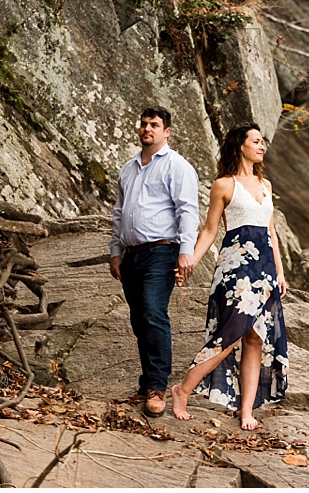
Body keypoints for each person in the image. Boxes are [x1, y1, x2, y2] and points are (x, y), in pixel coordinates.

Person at [170, 123, 289, 430]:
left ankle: (245, 410)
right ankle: (182, 390)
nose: (262, 147)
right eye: (257, 141)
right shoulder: (224, 185)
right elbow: (210, 229)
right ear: (241, 146)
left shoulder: (267, 185)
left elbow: (271, 231)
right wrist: (191, 262)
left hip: (264, 273)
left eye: (262, 142)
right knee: (230, 335)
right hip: (236, 270)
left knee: (255, 339)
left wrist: (279, 271)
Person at [109, 106, 201, 419]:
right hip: (132, 255)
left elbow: (187, 210)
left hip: (162, 252)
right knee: (139, 319)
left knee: (152, 312)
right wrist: (115, 251)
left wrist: (186, 251)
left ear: (167, 132)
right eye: (145, 123)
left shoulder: (177, 166)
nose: (148, 128)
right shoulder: (128, 168)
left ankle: (158, 388)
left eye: (155, 125)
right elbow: (119, 212)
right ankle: (147, 381)